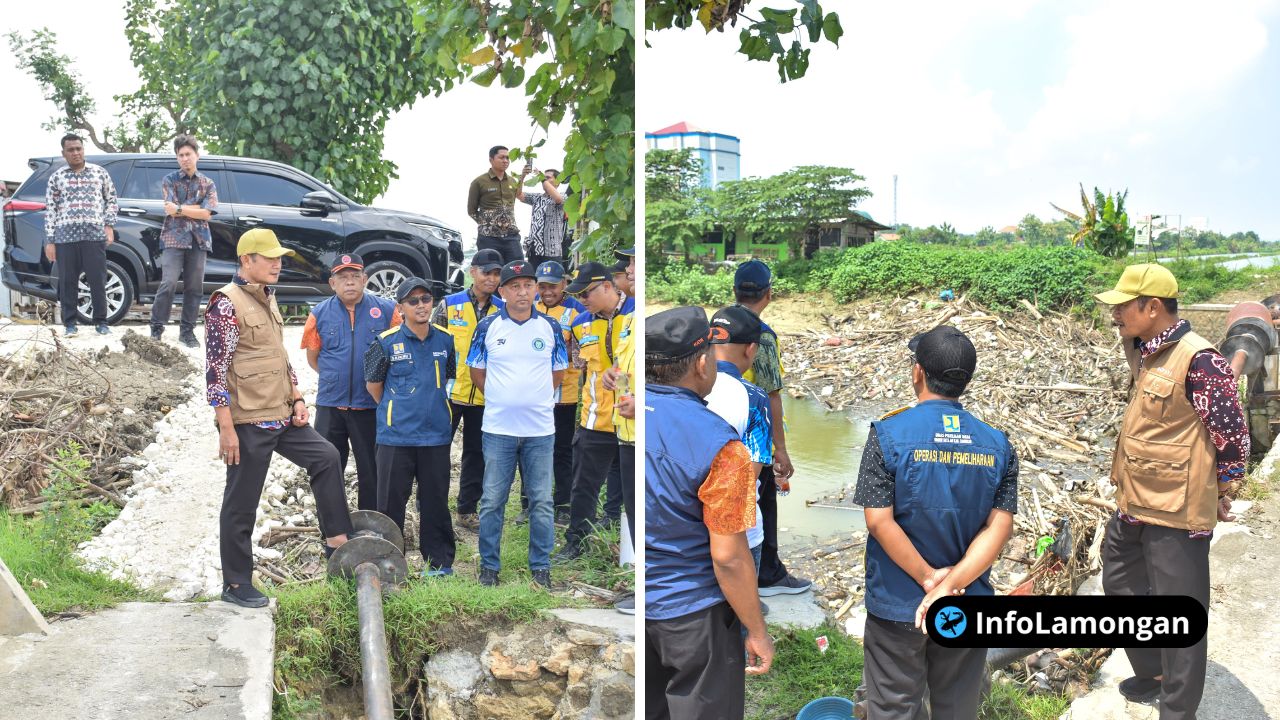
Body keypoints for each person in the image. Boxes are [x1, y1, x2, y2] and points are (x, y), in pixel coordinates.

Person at [1095, 264, 1248, 718]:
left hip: (1177, 513)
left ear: (1153, 306)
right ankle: (1154, 671)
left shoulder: (1200, 360)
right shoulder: (1147, 351)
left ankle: (1178, 710)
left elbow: (1232, 436)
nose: (1115, 314)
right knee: (1118, 582)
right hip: (1135, 502)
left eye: (1123, 306)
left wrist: (1221, 491)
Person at [852, 325, 1017, 719]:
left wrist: (930, 581)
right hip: (967, 602)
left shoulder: (887, 434)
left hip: (898, 604)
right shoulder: (997, 444)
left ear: (918, 372)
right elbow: (999, 527)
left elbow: (879, 521)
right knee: (957, 706)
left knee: (893, 705)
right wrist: (952, 585)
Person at [205, 228, 352, 609]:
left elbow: (280, 358)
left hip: (282, 414)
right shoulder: (226, 303)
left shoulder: (268, 298)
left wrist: (298, 397)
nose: (277, 264)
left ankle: (337, 540)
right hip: (248, 420)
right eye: (268, 257)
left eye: (279, 257)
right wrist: (226, 428)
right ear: (246, 261)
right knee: (241, 503)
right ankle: (236, 585)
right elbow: (215, 371)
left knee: (327, 457)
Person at [645, 306, 773, 719]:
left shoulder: (631, 416)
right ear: (702, 363)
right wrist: (756, 628)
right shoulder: (722, 446)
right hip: (693, 616)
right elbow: (728, 556)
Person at [467, 260, 567, 587]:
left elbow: (558, 372)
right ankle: (489, 569)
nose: (522, 292)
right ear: (503, 291)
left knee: (541, 501)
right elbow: (476, 371)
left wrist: (532, 398)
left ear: (536, 289)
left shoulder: (550, 328)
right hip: (498, 429)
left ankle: (541, 568)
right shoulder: (488, 327)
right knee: (493, 500)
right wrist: (501, 396)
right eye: (514, 286)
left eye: (528, 285)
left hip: (540, 430)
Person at [363, 278, 456, 576]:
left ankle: (439, 563)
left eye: (425, 299)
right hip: (396, 437)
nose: (420, 305)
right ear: (401, 307)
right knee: (390, 504)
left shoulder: (445, 340)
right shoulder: (385, 342)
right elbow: (374, 386)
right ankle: (389, 563)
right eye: (413, 301)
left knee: (435, 502)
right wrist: (397, 410)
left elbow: (448, 378)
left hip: (436, 436)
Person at [732, 259, 811, 596]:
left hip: (719, 428)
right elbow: (772, 396)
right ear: (769, 293)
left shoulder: (718, 324)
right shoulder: (760, 336)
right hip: (753, 434)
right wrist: (781, 449)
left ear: (734, 291)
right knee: (763, 501)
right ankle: (768, 574)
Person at [302, 253, 400, 511]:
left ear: (365, 279)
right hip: (330, 405)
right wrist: (337, 378)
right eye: (342, 277)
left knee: (372, 469)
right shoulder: (319, 313)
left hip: (370, 404)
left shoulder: (388, 311)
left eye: (355, 276)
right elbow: (313, 358)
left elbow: (399, 354)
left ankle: (371, 525)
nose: (349, 282)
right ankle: (333, 530)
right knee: (327, 467)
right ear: (332, 283)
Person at [554, 261, 626, 562]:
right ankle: (576, 542)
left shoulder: (635, 316)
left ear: (608, 286)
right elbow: (579, 365)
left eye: (587, 293)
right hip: (595, 419)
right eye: (578, 295)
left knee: (632, 488)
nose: (582, 300)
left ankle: (633, 545)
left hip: (631, 418)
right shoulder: (580, 323)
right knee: (582, 486)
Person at [703, 305, 773, 612]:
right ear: (751, 349)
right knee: (738, 617)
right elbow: (749, 473)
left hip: (685, 524)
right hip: (739, 530)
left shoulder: (678, 389)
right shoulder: (754, 398)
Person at [432, 249, 505, 531]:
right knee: (437, 450)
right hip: (449, 393)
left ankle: (467, 509)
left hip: (486, 394)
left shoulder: (503, 309)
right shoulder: (450, 304)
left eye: (497, 273)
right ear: (472, 272)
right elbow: (433, 344)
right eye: (487, 272)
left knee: (476, 454)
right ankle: (430, 502)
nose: (492, 278)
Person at [45, 133, 118, 336]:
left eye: (78, 148)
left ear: (83, 149)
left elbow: (111, 200)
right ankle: (70, 323)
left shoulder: (99, 173)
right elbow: (51, 210)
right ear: (64, 153)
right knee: (68, 281)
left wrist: (108, 225)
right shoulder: (56, 178)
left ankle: (101, 322)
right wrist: (50, 240)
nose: (75, 153)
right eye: (71, 150)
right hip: (65, 237)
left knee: (97, 279)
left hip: (94, 235)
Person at [150, 134, 217, 347]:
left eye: (189, 154)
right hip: (173, 238)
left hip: (199, 240)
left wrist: (180, 209)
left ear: (197, 155)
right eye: (181, 155)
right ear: (177, 158)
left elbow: (207, 213)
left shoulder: (208, 183)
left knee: (195, 287)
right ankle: (156, 328)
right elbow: (169, 208)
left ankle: (187, 332)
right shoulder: (169, 180)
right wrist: (195, 208)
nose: (185, 158)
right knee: (168, 283)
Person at [532, 261, 586, 523]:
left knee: (563, 449)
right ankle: (528, 502)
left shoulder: (577, 311)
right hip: (533, 392)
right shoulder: (531, 307)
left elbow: (580, 355)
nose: (547, 291)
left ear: (564, 284)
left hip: (564, 393)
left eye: (552, 285)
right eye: (542, 286)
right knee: (530, 446)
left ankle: (563, 503)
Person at [466, 145, 528, 263]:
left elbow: (516, 197)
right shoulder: (479, 182)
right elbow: (471, 210)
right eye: (502, 157)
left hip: (511, 236)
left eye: (507, 158)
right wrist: (487, 224)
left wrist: (523, 177)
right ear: (491, 160)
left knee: (516, 270)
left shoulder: (512, 181)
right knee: (491, 271)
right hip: (488, 238)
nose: (505, 161)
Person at [519, 168, 568, 269]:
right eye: (543, 178)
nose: (543, 180)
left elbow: (558, 199)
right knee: (534, 282)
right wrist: (522, 176)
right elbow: (519, 195)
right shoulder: (537, 197)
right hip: (535, 250)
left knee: (554, 282)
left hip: (552, 251)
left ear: (557, 181)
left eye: (548, 178)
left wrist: (541, 178)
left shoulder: (563, 196)